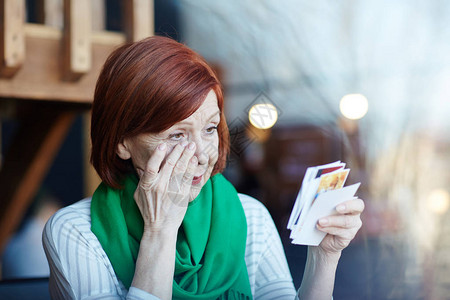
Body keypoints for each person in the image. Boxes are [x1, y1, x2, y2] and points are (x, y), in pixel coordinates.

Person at [42, 36, 364, 300]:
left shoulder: (249, 216)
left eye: (210, 129)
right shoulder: (76, 230)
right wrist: (160, 230)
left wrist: (324, 257)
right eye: (177, 134)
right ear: (122, 142)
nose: (201, 154)